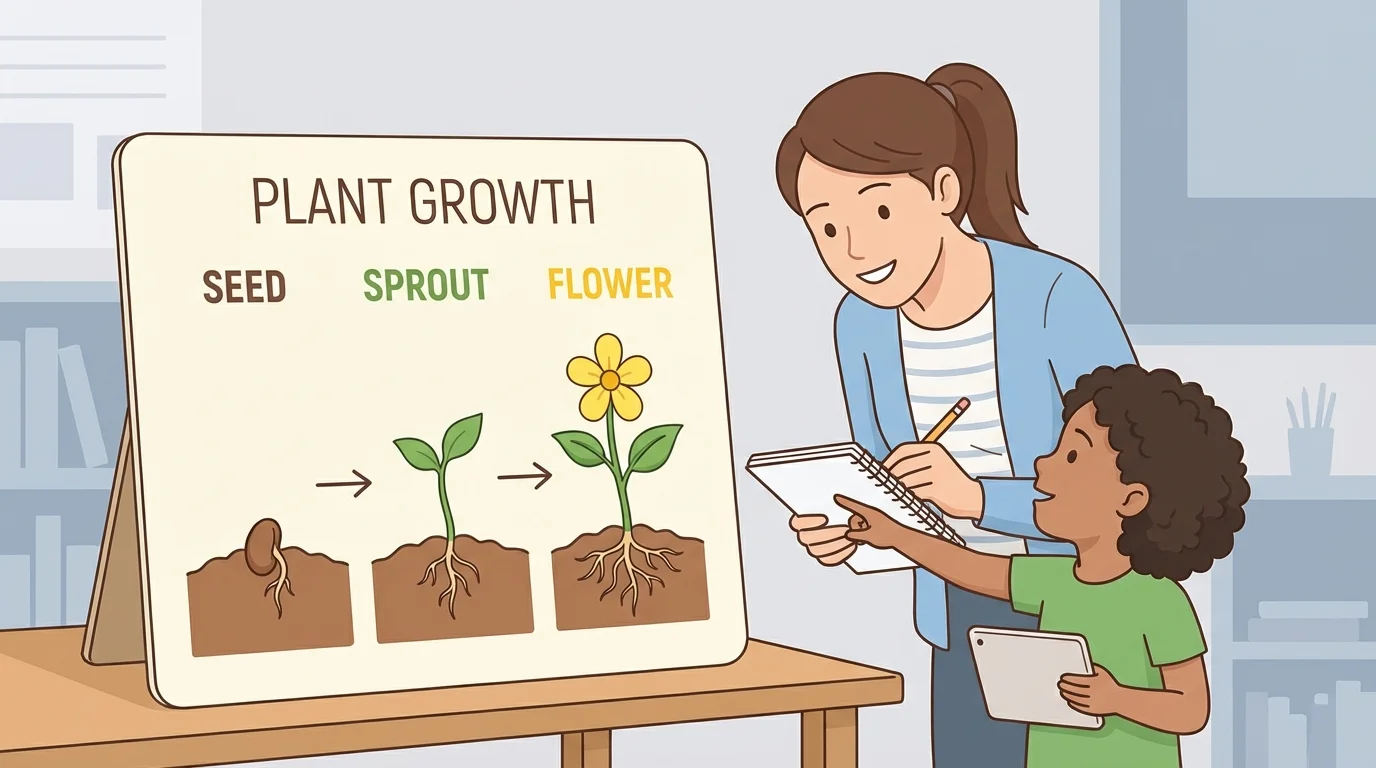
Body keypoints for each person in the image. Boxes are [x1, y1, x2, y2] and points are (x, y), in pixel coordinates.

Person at [774, 64, 1137, 765]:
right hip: (958, 611)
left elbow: (1135, 491)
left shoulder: (1058, 298)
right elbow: (897, 485)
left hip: (1078, 606)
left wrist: (977, 497)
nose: (853, 251)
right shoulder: (861, 325)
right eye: (825, 228)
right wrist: (858, 527)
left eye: (877, 212)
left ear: (944, 191)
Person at [839, 363, 1249, 767]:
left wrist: (1118, 699)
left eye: (1072, 455)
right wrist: (894, 534)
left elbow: (1192, 710)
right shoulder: (1054, 579)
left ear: (1131, 500)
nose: (1041, 464)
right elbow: (966, 567)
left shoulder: (1159, 600)